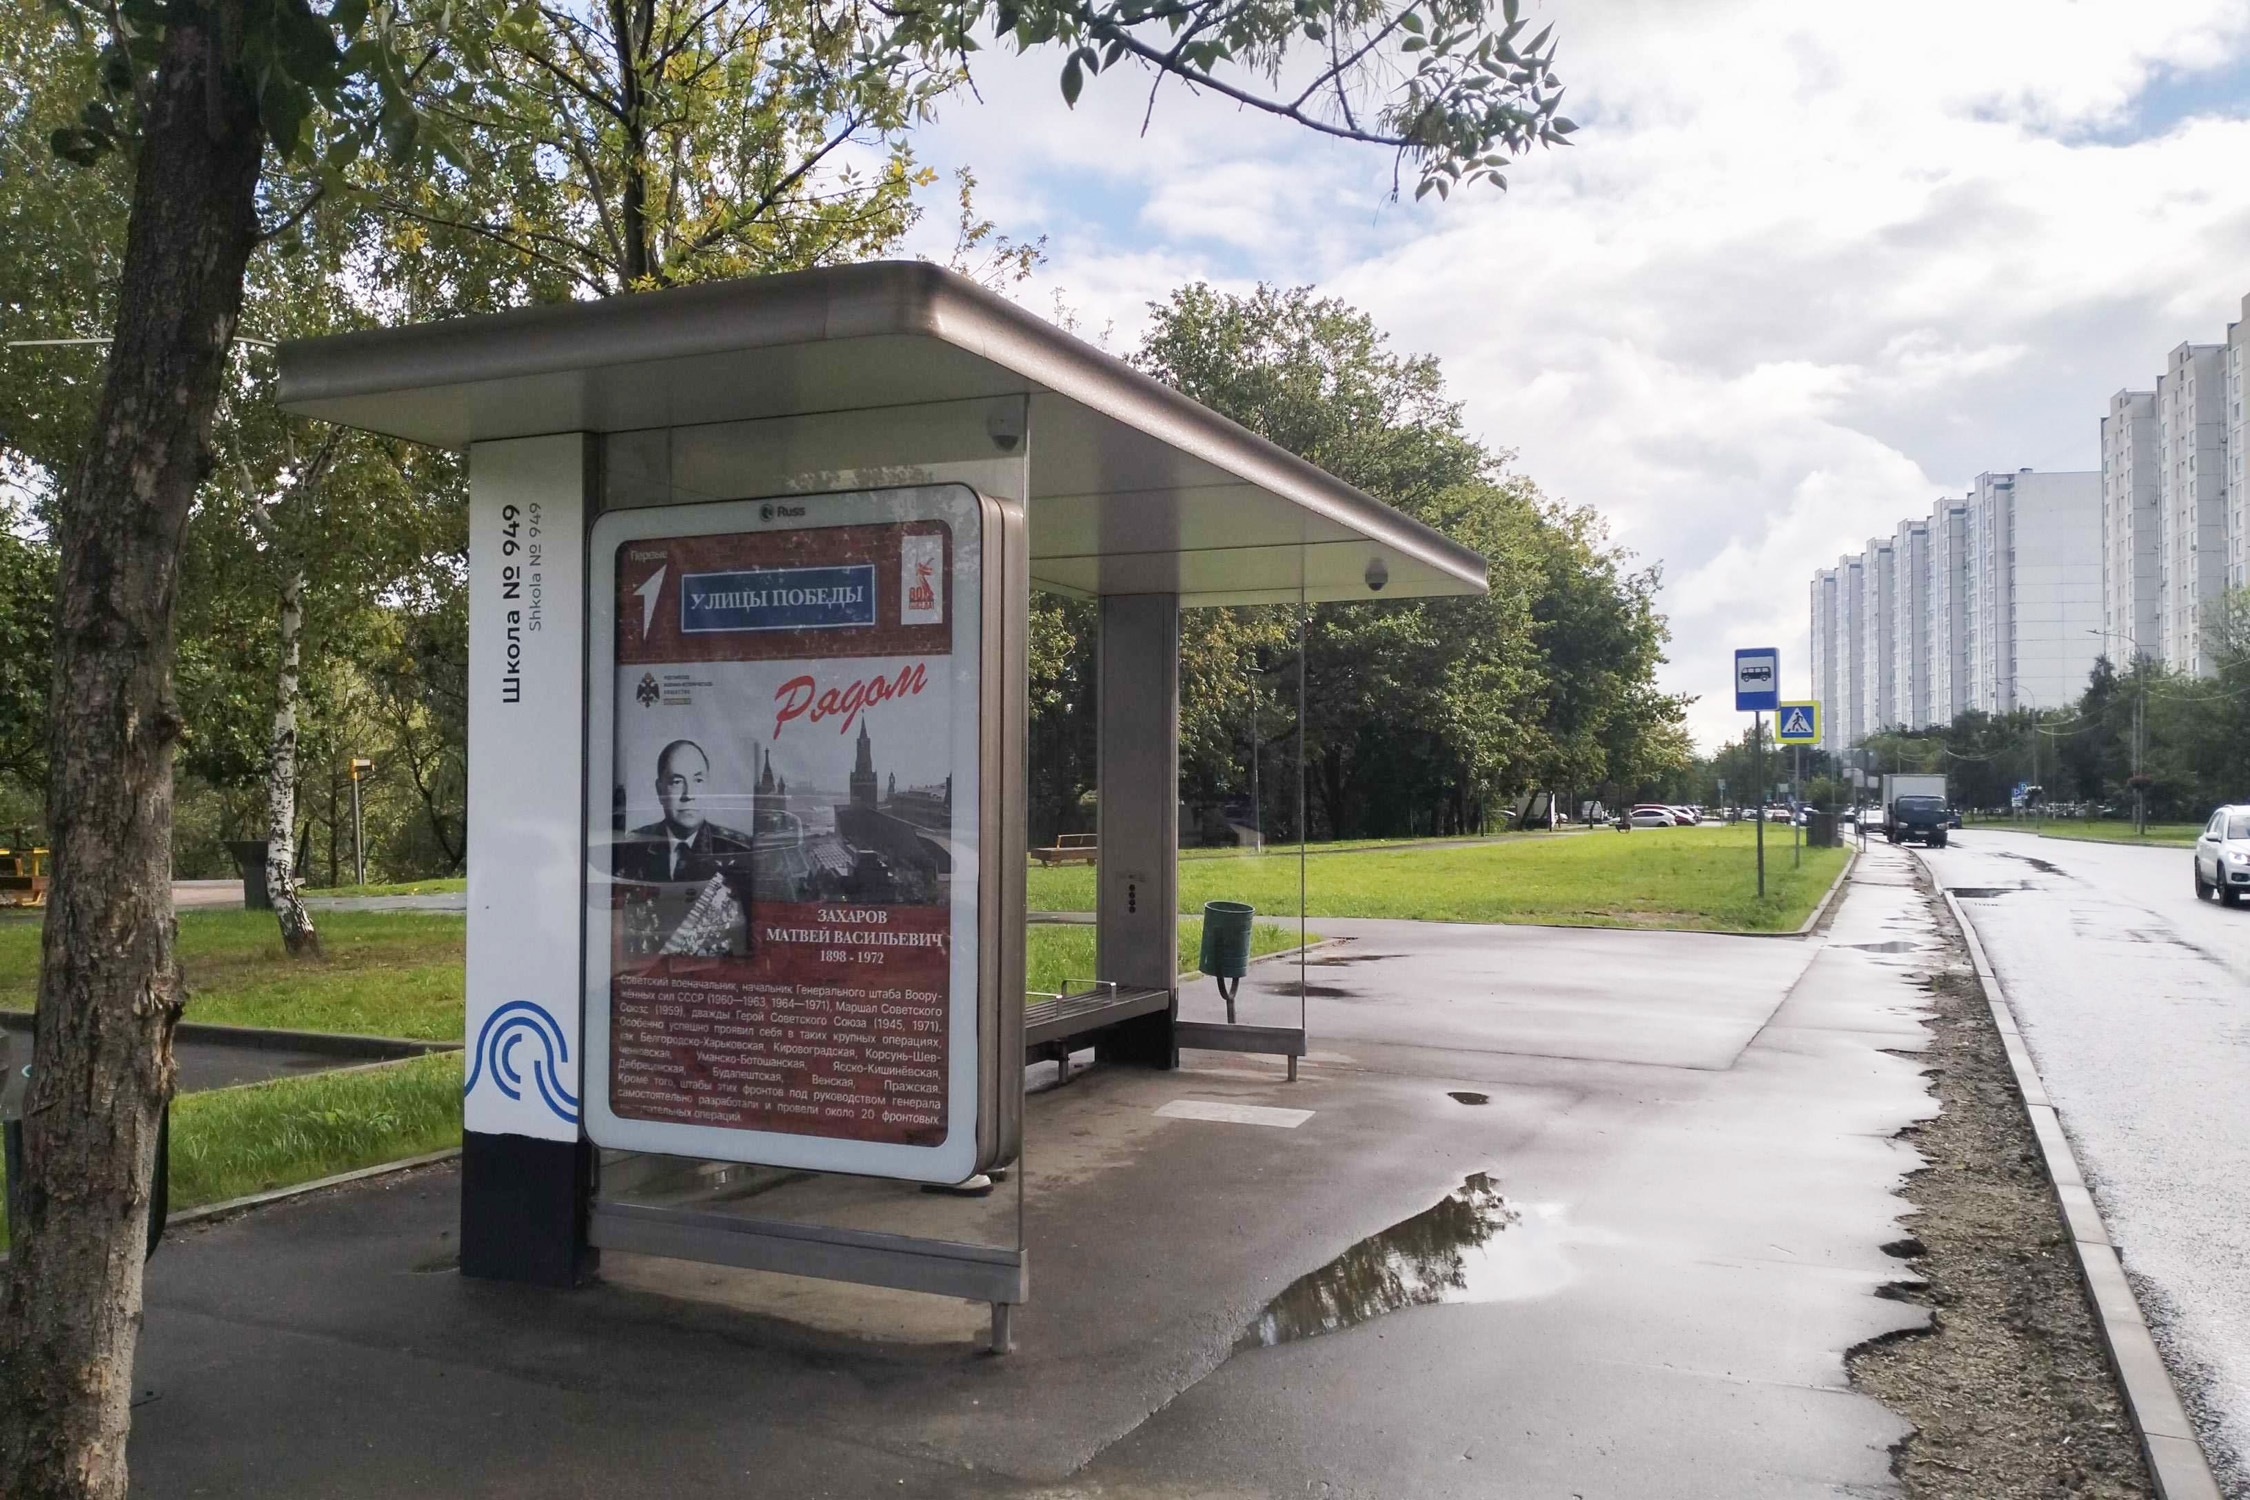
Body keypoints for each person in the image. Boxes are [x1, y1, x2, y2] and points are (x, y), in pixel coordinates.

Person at [613, 740, 756, 955]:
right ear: (660, 790)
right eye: (677, 782)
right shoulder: (630, 849)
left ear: (708, 787)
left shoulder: (740, 851)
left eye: (698, 780)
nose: (689, 794)